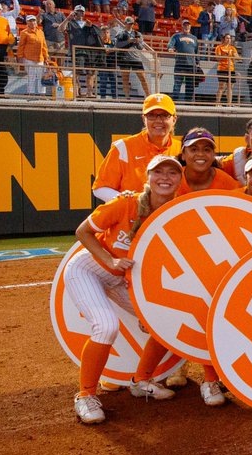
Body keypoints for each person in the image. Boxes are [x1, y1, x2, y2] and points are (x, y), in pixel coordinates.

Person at [68, 154, 185, 424]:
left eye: (172, 173)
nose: (165, 178)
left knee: (164, 321)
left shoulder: (176, 212)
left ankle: (140, 381)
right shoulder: (126, 202)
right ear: (148, 177)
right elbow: (82, 231)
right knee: (106, 326)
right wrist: (110, 259)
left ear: (180, 179)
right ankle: (85, 395)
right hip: (89, 269)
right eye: (159, 172)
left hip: (123, 280)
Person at [92, 93, 181, 202]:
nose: (158, 120)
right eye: (151, 115)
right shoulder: (123, 147)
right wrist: (130, 201)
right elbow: (100, 188)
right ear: (144, 119)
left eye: (164, 115)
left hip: (170, 216)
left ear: (174, 119)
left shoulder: (183, 150)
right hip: (133, 217)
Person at [174, 127, 238, 195]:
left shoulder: (227, 184)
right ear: (183, 155)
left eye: (206, 149)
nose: (200, 154)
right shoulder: (172, 179)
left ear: (213, 155)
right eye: (194, 149)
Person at [166, 20, 200, 103]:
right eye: (185, 25)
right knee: (177, 83)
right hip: (180, 63)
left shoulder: (194, 38)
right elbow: (170, 44)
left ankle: (188, 102)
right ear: (182, 26)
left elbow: (197, 51)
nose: (186, 27)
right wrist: (170, 48)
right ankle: (175, 101)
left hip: (191, 65)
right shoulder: (176, 36)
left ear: (190, 27)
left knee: (190, 85)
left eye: (188, 25)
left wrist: (198, 61)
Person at [16, 14, 49, 96]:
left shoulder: (41, 32)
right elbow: (21, 46)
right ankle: (31, 93)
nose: (32, 22)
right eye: (30, 21)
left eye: (33, 20)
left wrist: (46, 57)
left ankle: (42, 94)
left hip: (40, 58)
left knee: (41, 76)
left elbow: (44, 46)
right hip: (29, 57)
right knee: (31, 76)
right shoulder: (24, 32)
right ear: (27, 22)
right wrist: (19, 57)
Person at [213, 33, 239, 107]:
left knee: (230, 87)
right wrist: (224, 56)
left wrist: (234, 56)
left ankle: (229, 104)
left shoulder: (232, 48)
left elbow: (238, 57)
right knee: (221, 86)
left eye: (230, 38)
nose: (228, 39)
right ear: (224, 39)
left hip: (231, 69)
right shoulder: (219, 47)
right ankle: (217, 103)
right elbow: (217, 58)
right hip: (222, 68)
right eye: (227, 38)